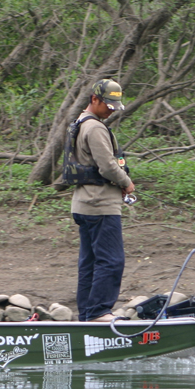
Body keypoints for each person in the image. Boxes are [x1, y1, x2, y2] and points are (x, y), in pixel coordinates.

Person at [63, 79, 136, 321]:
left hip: (84, 204)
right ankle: (98, 312)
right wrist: (126, 182)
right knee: (112, 260)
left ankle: (87, 315)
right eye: (108, 105)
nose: (111, 110)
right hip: (100, 205)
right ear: (94, 99)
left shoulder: (80, 123)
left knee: (90, 263)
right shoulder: (94, 127)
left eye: (115, 106)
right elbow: (107, 166)